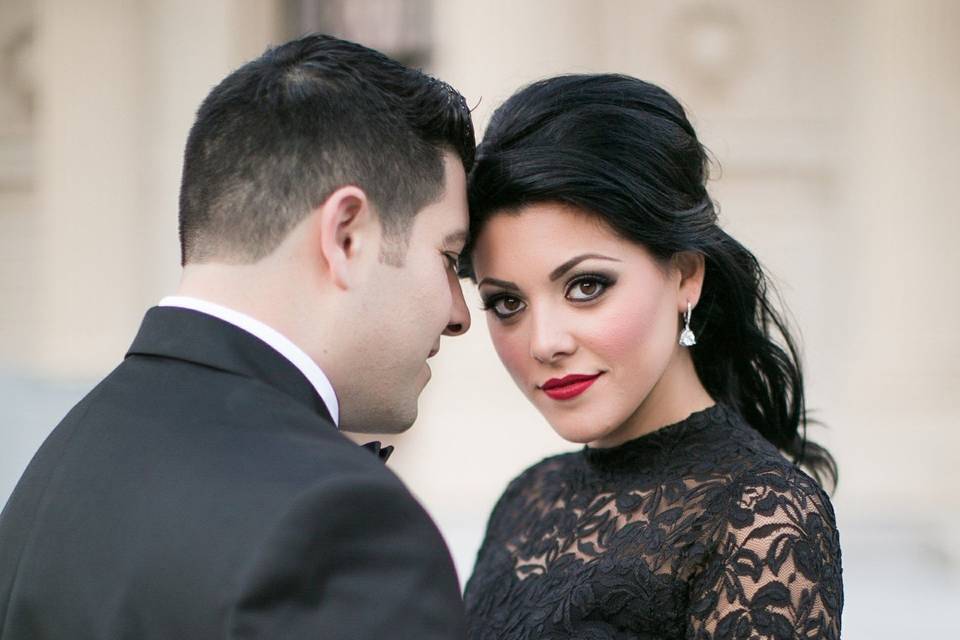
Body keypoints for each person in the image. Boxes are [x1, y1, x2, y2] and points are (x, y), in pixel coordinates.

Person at [0, 34, 475, 639]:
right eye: (448, 257)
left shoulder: (59, 463)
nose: (460, 313)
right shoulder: (341, 523)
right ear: (347, 235)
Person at [460, 74, 842, 639]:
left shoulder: (763, 515)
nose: (544, 342)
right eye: (507, 302)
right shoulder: (527, 499)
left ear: (685, 274)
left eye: (586, 286)